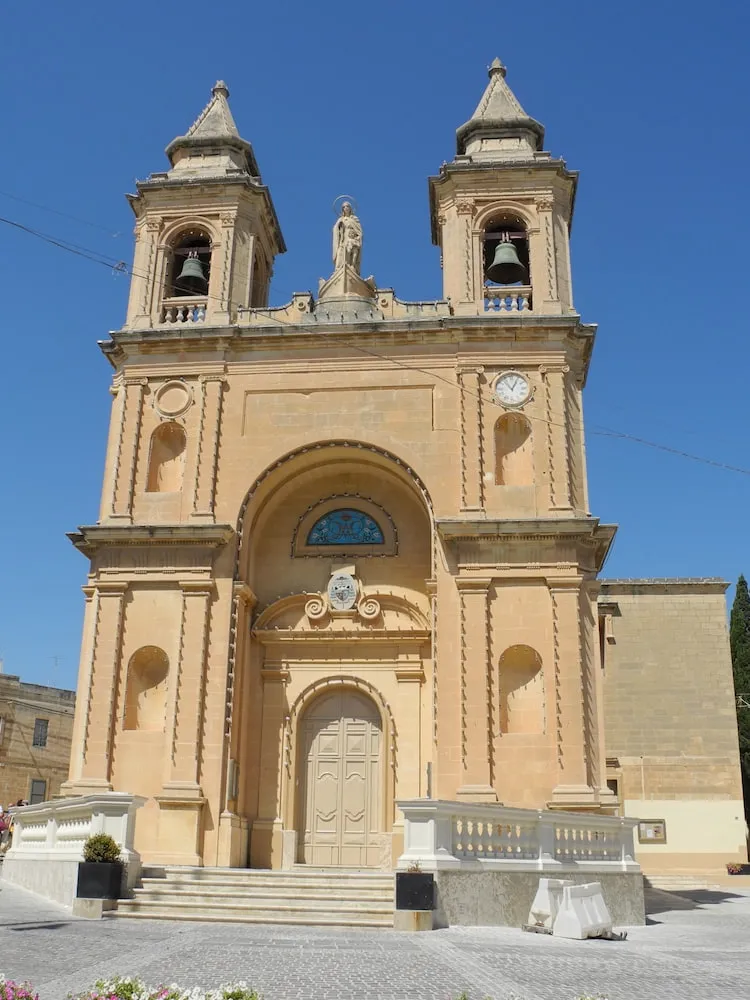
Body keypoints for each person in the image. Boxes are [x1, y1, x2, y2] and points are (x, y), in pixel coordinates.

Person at [332, 201, 363, 273]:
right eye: (344, 207)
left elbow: (359, 231)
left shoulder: (354, 219)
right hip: (343, 239)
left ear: (350, 208)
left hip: (351, 238)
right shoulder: (340, 219)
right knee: (341, 252)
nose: (345, 208)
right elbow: (335, 229)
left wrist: (357, 237)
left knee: (353, 250)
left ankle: (352, 266)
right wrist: (339, 225)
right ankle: (340, 268)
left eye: (347, 206)